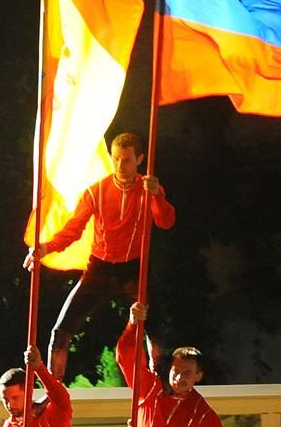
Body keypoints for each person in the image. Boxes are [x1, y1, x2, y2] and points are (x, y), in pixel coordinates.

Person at [24, 132, 176, 381]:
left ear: (139, 159)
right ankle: (53, 393)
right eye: (116, 159)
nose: (120, 166)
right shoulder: (96, 191)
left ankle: (158, 389)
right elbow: (73, 230)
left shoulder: (148, 189)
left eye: (126, 160)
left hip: (134, 269)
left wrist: (158, 193)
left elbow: (166, 221)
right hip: (100, 268)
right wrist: (45, 248)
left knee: (156, 332)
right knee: (60, 332)